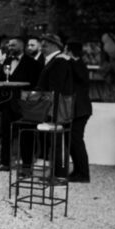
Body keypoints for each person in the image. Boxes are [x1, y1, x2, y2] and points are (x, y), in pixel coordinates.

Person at [0, 37, 43, 169]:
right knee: (6, 134)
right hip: (7, 102)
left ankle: (27, 165)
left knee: (26, 135)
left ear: (21, 47)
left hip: (24, 104)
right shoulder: (7, 61)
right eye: (9, 45)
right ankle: (5, 163)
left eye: (13, 45)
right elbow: (2, 79)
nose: (10, 47)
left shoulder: (32, 63)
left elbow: (35, 84)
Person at [35, 33, 75, 177]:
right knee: (54, 142)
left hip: (56, 109)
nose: (42, 48)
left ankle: (60, 175)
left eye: (45, 45)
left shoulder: (59, 61)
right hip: (53, 107)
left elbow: (56, 89)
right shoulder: (55, 60)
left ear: (54, 45)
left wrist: (51, 111)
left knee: (58, 143)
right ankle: (56, 173)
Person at [67, 41, 93, 183]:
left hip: (80, 110)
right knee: (73, 141)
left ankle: (83, 174)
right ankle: (78, 171)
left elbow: (82, 79)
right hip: (78, 109)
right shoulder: (78, 64)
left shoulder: (79, 65)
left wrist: (70, 60)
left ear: (69, 50)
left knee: (76, 141)